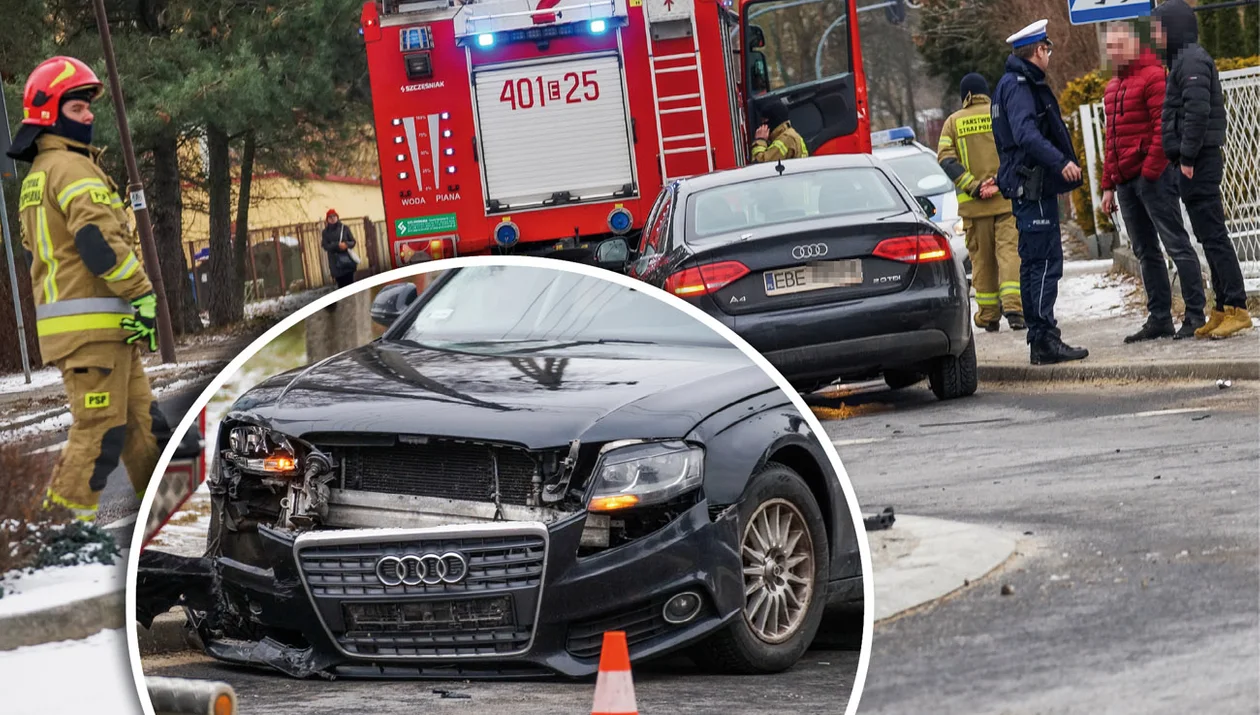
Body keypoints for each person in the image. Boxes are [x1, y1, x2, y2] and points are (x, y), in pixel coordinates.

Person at [5, 56, 168, 522]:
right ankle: (58, 545)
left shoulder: (40, 175)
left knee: (145, 430)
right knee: (100, 432)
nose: (90, 115)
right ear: (52, 115)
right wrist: (142, 295)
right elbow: (100, 246)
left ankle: (176, 517)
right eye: (78, 108)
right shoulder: (72, 170)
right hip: (94, 332)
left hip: (98, 332)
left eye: (88, 107)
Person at [1099, 21, 1206, 343]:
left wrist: (1149, 173)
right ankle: (1159, 317)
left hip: (1154, 178)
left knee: (1176, 245)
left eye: (1119, 46)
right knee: (1145, 251)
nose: (1113, 52)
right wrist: (1108, 184)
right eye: (1109, 47)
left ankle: (1195, 315)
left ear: (1134, 44)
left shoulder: (1153, 77)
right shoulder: (1112, 88)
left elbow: (1164, 129)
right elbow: (1111, 140)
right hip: (1126, 182)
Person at [1152, 0, 1252, 339]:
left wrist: (1189, 159)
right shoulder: (1182, 61)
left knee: (1214, 235)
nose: (1155, 37)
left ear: (1173, 28)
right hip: (1193, 161)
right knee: (1208, 237)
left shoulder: (1192, 60)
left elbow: (1197, 113)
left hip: (1201, 161)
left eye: (1158, 29)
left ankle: (1238, 307)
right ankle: (1222, 308)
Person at [992, 19, 1089, 365]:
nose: (1048, 55)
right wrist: (1060, 161)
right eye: (1047, 49)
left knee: (1035, 263)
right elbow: (1025, 135)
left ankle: (1040, 339)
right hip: (1032, 185)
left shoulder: (1010, 83)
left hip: (1026, 184)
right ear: (1038, 50)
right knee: (1045, 262)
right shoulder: (1019, 85)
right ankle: (1045, 338)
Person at [937, 72, 1025, 333]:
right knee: (1009, 253)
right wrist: (999, 181)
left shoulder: (953, 123)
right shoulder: (1001, 114)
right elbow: (1017, 148)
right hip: (1006, 201)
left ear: (965, 96)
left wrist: (975, 187)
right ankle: (1015, 308)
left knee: (982, 260)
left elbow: (946, 159)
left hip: (975, 209)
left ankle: (988, 314)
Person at [751, 98, 808, 163]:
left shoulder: (786, 139)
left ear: (775, 120)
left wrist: (760, 140)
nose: (762, 125)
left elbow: (762, 165)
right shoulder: (787, 134)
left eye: (765, 121)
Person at [322, 209, 358, 289]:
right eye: (330, 217)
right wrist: (337, 245)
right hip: (335, 264)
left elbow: (353, 242)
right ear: (327, 219)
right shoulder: (325, 232)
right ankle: (345, 301)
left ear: (337, 217)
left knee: (350, 285)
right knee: (341, 286)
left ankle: (351, 300)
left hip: (347, 262)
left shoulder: (344, 228)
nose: (332, 218)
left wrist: (346, 244)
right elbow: (325, 246)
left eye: (334, 216)